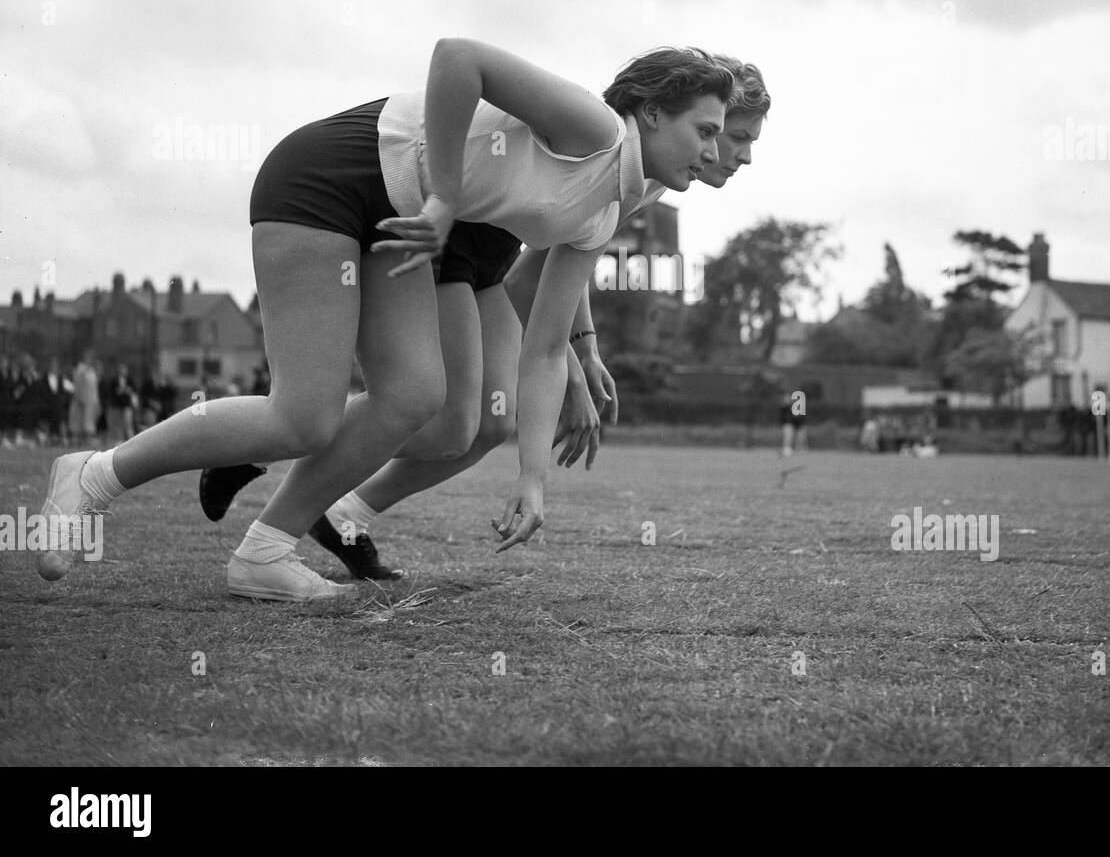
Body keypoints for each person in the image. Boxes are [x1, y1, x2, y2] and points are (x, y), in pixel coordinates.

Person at [35, 39, 732, 601]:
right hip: (327, 181)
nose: (714, 150)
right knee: (301, 417)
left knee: (416, 399)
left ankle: (264, 555)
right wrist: (447, 199)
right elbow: (459, 57)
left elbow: (545, 353)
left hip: (392, 221)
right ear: (650, 113)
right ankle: (92, 475)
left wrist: (532, 480)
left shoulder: (605, 211)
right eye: (705, 130)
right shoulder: (594, 129)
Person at [201, 56, 770, 579]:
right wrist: (571, 362)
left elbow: (568, 254)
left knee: (486, 422)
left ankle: (344, 513)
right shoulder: (621, 145)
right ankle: (274, 442)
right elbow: (533, 279)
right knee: (431, 408)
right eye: (730, 135)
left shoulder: (650, 176)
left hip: (489, 255)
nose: (737, 154)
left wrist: (585, 346)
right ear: (680, 118)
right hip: (459, 237)